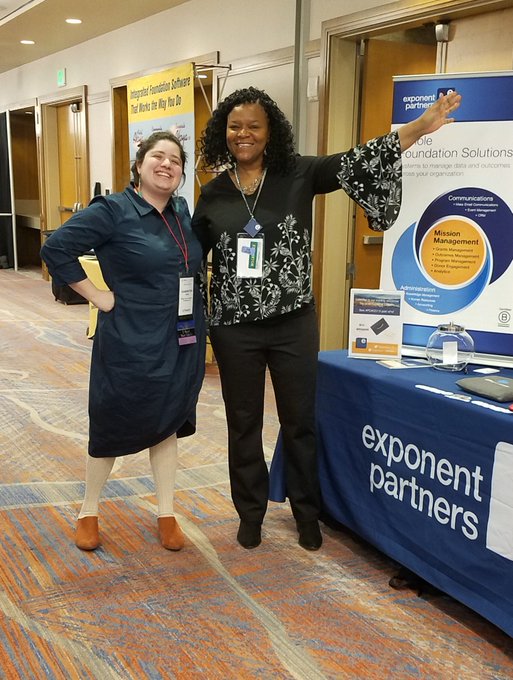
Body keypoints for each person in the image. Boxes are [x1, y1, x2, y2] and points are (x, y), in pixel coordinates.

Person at [191, 86, 461, 551]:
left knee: (300, 421)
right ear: (223, 133)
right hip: (235, 328)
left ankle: (306, 512)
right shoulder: (213, 193)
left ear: (270, 131)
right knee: (243, 421)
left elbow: (358, 160)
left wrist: (418, 127)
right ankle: (250, 512)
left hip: (293, 321)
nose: (244, 134)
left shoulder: (299, 173)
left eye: (254, 125)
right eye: (235, 126)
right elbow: (191, 254)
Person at [41, 131, 206, 552]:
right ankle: (88, 510)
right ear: (139, 164)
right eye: (158, 156)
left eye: (175, 159)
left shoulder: (181, 211)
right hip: (130, 339)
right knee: (112, 421)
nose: (166, 164)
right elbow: (57, 248)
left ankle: (166, 512)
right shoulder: (113, 210)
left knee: (167, 421)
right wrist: (96, 295)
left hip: (180, 336)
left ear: (182, 172)